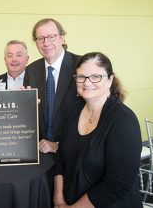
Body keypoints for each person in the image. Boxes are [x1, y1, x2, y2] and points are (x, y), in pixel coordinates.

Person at [53, 52, 142, 208]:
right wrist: (58, 199)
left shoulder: (123, 121)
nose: (87, 83)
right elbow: (61, 157)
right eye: (81, 77)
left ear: (110, 80)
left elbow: (116, 186)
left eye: (96, 76)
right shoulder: (73, 109)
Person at [24, 18, 80, 153]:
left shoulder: (81, 66)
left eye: (51, 37)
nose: (46, 43)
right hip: (42, 151)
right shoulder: (31, 70)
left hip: (74, 150)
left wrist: (59, 145)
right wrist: (24, 103)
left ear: (62, 38)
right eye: (40, 38)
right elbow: (30, 116)